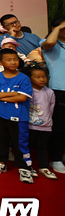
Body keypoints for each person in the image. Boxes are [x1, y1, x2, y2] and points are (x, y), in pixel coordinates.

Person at [0, 49, 34, 183]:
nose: (13, 62)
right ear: (0, 62)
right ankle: (0, 162)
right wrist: (14, 94)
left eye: (15, 59)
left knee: (20, 142)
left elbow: (23, 98)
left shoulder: (24, 78)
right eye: (9, 59)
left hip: (18, 116)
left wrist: (0, 95)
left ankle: (25, 167)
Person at [40, 16, 65, 173]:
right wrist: (58, 28)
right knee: (59, 126)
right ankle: (55, 158)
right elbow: (49, 43)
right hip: (60, 89)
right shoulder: (48, 43)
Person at [25, 65, 57, 179]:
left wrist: (48, 121)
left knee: (42, 147)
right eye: (38, 77)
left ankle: (43, 167)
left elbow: (51, 108)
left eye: (44, 76)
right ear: (29, 78)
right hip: (30, 126)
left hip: (46, 126)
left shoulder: (50, 92)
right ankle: (27, 167)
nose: (42, 79)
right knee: (27, 147)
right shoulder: (27, 91)